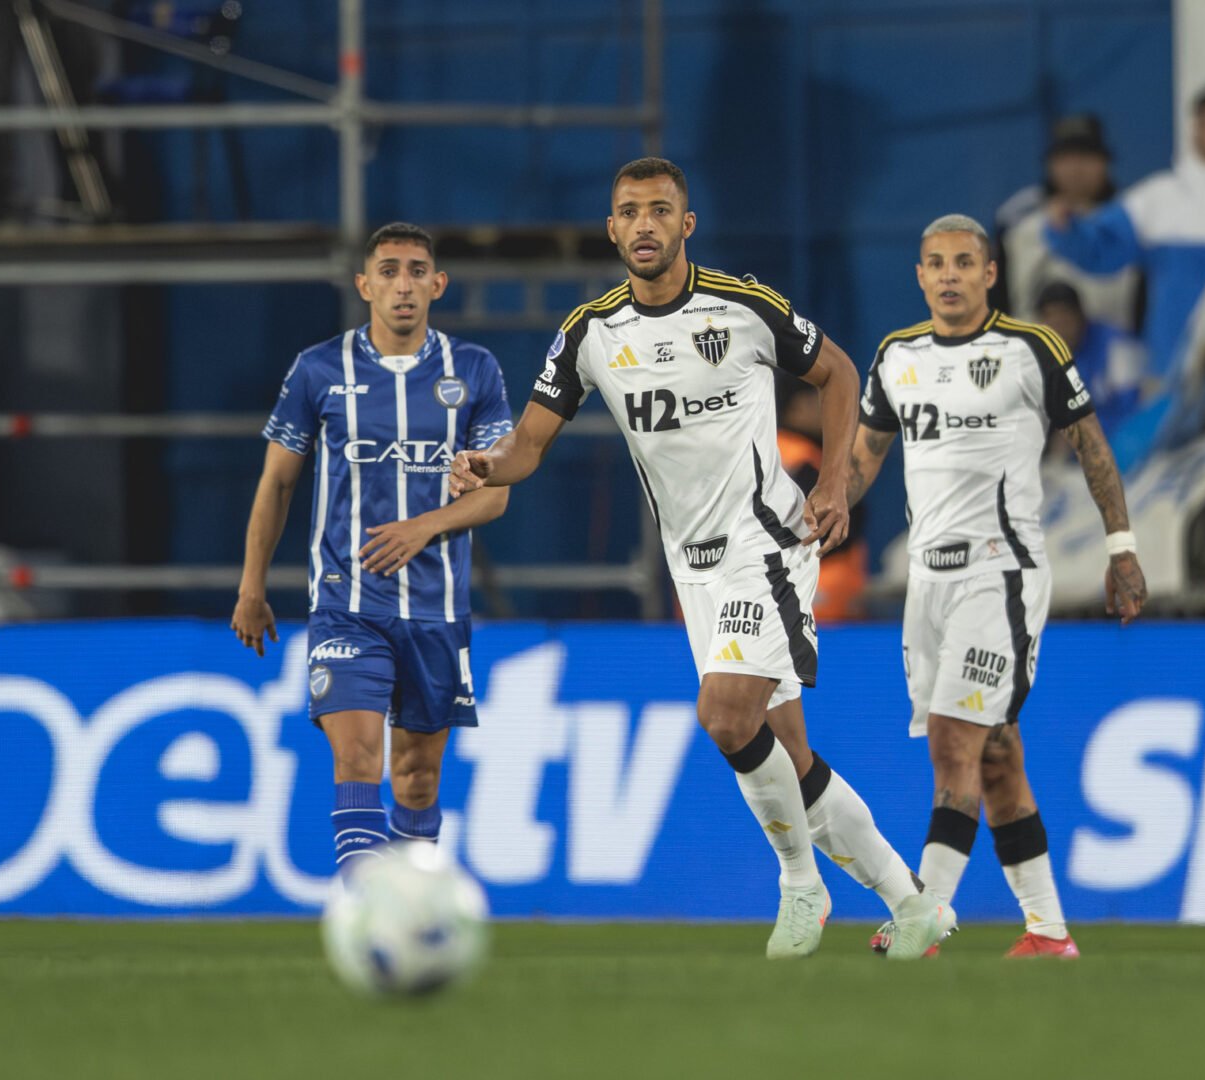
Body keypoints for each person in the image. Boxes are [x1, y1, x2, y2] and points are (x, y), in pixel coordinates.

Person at [451, 156, 953, 960]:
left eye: (659, 210)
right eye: (628, 211)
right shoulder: (591, 334)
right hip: (695, 566)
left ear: (686, 225)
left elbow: (838, 373)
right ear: (611, 228)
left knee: (724, 715)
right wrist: (487, 464)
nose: (643, 224)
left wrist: (832, 484)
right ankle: (913, 905)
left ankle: (800, 886)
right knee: (786, 754)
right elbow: (528, 445)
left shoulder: (743, 306)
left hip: (768, 545)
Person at [848, 214, 1148, 959]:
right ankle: (1049, 933)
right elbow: (860, 462)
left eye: (963, 262)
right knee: (995, 756)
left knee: (954, 743)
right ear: (918, 276)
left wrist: (1122, 546)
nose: (948, 275)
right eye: (934, 263)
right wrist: (814, 515)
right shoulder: (895, 357)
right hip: (928, 584)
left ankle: (923, 917)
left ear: (990, 274)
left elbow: (1091, 446)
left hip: (1001, 573)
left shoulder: (1029, 350)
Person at [231, 222, 514, 869]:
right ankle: (364, 913)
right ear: (365, 285)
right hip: (346, 604)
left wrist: (424, 526)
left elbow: (497, 494)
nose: (403, 284)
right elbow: (277, 483)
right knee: (358, 755)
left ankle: (408, 911)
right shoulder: (319, 369)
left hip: (437, 610)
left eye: (417, 270)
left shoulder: (473, 371)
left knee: (417, 777)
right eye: (388, 270)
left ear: (438, 284)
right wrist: (252, 587)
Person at [1045, 82, 1205, 386]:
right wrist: (1066, 229)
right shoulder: (1160, 197)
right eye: (1197, 121)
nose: (1198, 130)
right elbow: (1101, 248)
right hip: (1169, 374)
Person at [991, 114, 1137, 332]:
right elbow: (996, 299)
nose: (1076, 168)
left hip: (1115, 357)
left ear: (1104, 162)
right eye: (1066, 158)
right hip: (1035, 356)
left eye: (1086, 157)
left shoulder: (1133, 218)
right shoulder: (1018, 222)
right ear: (1050, 164)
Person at [776, 379, 869, 620]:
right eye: (816, 401)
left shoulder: (770, 448)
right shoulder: (800, 457)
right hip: (812, 589)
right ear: (795, 408)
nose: (825, 409)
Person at [1034, 280, 1144, 438]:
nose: (1059, 330)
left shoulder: (1118, 347)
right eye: (1052, 324)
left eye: (1064, 320)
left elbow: (1135, 412)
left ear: (1080, 315)